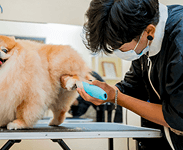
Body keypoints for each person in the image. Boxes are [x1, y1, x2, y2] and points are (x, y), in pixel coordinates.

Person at [78, 0, 183, 150]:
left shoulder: (179, 47)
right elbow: (133, 87)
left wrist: (116, 97)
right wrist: (105, 92)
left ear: (149, 31)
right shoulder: (144, 39)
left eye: (119, 47)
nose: (116, 51)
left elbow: (178, 118)